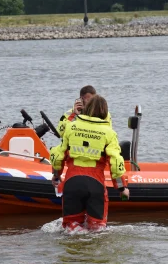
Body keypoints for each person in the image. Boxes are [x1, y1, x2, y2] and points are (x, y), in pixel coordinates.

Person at [49, 95, 129, 231]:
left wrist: (56, 176)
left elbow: (58, 155)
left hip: (72, 183)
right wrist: (122, 188)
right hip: (95, 184)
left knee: (71, 228)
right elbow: (116, 162)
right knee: (97, 230)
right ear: (105, 111)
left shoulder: (71, 127)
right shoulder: (109, 133)